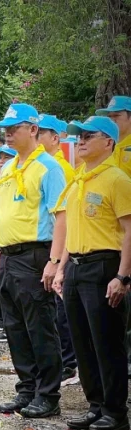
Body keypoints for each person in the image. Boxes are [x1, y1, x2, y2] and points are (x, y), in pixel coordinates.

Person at [54, 116, 131, 430]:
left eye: (89, 136)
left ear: (108, 142)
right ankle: (95, 405)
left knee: (106, 342)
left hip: (104, 265)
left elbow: (129, 231)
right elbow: (72, 229)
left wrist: (123, 276)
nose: (81, 141)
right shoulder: (78, 180)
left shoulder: (117, 180)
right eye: (79, 136)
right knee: (82, 342)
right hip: (76, 265)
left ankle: (115, 411)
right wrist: (61, 268)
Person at [0, 103, 66, 418]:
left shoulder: (49, 167)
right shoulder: (9, 167)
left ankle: (48, 394)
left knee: (40, 327)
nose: (8, 134)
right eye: (5, 129)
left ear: (33, 129)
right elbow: (5, 213)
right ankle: (26, 389)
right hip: (8, 256)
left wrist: (55, 261)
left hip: (35, 254)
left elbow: (61, 216)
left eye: (15, 128)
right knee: (15, 328)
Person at [37, 114, 80, 385]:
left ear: (55, 138)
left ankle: (68, 364)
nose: (36, 137)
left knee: (60, 310)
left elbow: (64, 216)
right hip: (51, 245)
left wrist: (58, 259)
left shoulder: (59, 168)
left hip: (59, 246)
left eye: (41, 133)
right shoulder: (39, 165)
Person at [95, 96, 131, 377]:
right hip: (111, 235)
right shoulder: (108, 149)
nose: (112, 121)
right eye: (108, 117)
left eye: (116, 116)